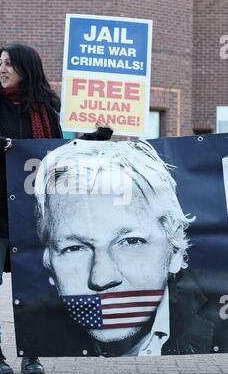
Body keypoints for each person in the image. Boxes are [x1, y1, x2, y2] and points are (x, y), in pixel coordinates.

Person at [0, 43, 113, 374]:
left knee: (33, 284)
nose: (2, 69)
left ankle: (32, 352)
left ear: (28, 69)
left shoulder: (45, 110)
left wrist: (95, 139)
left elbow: (60, 156)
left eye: (10, 64)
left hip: (34, 214)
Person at [30, 139, 228, 356]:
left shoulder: (221, 323)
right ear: (48, 261)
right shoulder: (31, 330)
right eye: (75, 248)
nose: (101, 278)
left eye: (131, 242)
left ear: (175, 251)